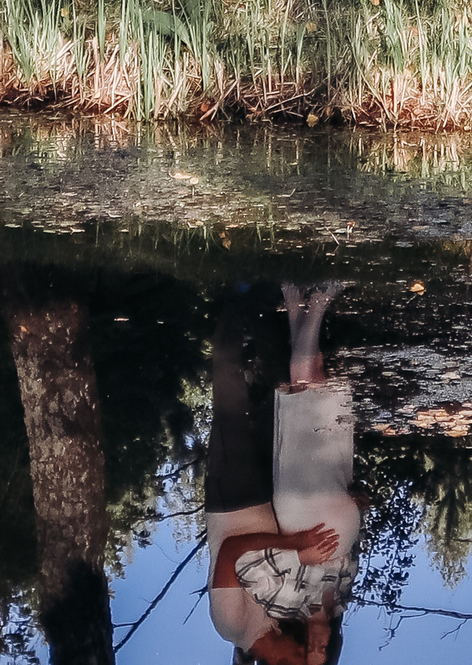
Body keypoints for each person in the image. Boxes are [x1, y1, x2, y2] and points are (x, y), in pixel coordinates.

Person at [206, 281, 361, 665]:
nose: (302, 649)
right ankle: (271, 302)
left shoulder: (231, 625)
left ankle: (233, 298)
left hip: (233, 502)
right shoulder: (283, 620)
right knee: (276, 399)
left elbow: (229, 553)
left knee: (230, 400)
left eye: (299, 658)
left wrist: (294, 543)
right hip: (270, 502)